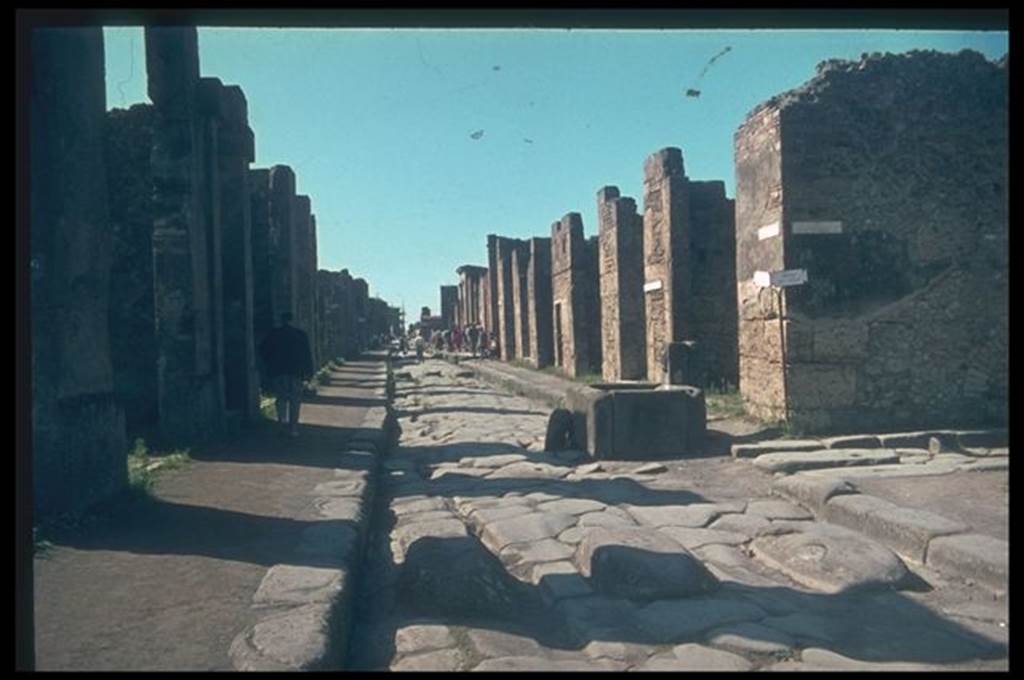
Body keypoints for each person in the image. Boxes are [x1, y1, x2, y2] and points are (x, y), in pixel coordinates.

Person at [258, 312, 314, 438]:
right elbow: (307, 355)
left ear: (281, 320)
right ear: (293, 320)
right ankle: (293, 428)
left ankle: (282, 425)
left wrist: (269, 364)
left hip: (278, 371)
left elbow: (262, 350)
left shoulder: (274, 334)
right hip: (296, 372)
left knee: (281, 398)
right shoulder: (300, 335)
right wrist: (309, 372)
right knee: (295, 400)